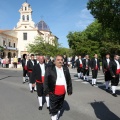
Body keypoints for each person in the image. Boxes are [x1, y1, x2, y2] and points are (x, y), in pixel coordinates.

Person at [44, 55, 72, 120]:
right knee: (53, 107)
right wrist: (46, 91)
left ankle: (56, 114)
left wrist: (69, 90)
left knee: (60, 106)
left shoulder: (65, 69)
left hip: (62, 92)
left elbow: (69, 80)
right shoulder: (50, 69)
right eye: (58, 60)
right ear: (54, 61)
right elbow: (46, 81)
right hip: (53, 91)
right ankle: (54, 116)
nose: (60, 61)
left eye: (61, 60)